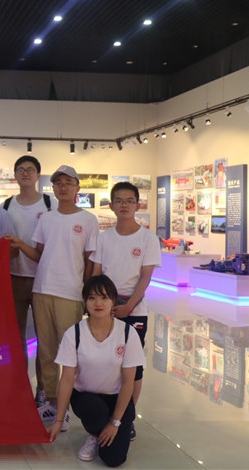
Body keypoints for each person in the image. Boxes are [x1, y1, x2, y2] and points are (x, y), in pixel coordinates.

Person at [5, 164, 99, 431]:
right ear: (53, 188)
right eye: (58, 183)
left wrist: (87, 293)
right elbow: (40, 255)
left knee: (69, 352)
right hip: (42, 290)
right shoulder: (46, 219)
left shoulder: (88, 220)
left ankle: (67, 406)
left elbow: (90, 260)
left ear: (77, 187)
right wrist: (21, 245)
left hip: (70, 293)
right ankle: (52, 402)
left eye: (68, 182)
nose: (63, 187)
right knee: (46, 352)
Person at [47, 275, 144, 466]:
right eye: (92, 297)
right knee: (95, 411)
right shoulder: (74, 333)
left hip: (117, 398)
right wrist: (58, 421)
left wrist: (115, 422)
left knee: (114, 459)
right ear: (85, 301)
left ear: (113, 300)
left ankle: (109, 430)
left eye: (104, 297)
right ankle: (95, 433)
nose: (98, 303)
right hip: (86, 398)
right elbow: (66, 379)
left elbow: (128, 382)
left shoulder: (127, 333)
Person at [91, 181, 161, 440]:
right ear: (111, 205)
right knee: (105, 364)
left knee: (132, 367)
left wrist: (129, 306)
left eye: (129, 201)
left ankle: (126, 418)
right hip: (104, 311)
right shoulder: (103, 238)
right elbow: (97, 275)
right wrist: (101, 306)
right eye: (119, 200)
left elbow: (145, 277)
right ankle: (105, 416)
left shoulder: (147, 238)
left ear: (137, 205)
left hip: (135, 311)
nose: (124, 205)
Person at [3, 155, 51, 406]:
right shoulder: (7, 204)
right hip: (14, 278)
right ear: (15, 175)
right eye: (20, 169)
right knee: (16, 337)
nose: (25, 173)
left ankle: (43, 389)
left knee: (44, 338)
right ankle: (20, 387)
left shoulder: (49, 203)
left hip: (43, 279)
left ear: (38, 175)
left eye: (30, 170)